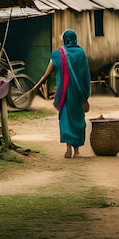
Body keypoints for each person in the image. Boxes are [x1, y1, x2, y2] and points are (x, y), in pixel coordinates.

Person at [33, 29, 91, 158]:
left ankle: (68, 147)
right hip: (78, 93)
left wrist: (36, 86)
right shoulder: (81, 53)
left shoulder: (58, 54)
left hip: (64, 92)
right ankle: (77, 151)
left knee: (65, 119)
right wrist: (86, 95)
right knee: (78, 119)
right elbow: (86, 75)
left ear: (65, 40)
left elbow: (47, 74)